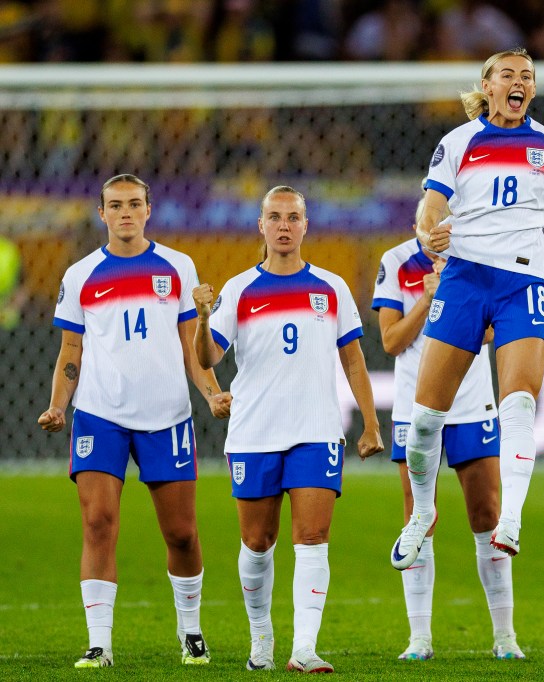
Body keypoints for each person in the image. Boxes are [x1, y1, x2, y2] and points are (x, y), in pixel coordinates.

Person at [390, 46, 544, 574]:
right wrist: (424, 231)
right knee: (424, 422)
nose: (518, 82)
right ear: (486, 85)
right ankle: (421, 513)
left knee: (520, 403)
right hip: (463, 278)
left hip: (523, 281)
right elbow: (431, 206)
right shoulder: (457, 142)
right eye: (507, 74)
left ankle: (512, 519)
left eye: (527, 76)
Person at [38, 173, 230, 669]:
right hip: (100, 416)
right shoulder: (81, 275)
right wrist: (60, 404)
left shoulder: (178, 267)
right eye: (115, 205)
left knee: (182, 534)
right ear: (101, 214)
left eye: (134, 204)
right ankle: (99, 643)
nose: (125, 212)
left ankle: (191, 633)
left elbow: (194, 348)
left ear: (149, 210)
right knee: (98, 523)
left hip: (166, 416)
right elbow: (70, 351)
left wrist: (210, 393)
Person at [192, 185, 384, 673]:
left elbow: (354, 360)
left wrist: (369, 422)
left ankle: (304, 648)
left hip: (316, 429)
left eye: (292, 217)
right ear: (261, 226)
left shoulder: (332, 287)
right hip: (255, 431)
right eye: (274, 217)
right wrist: (202, 319)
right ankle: (262, 637)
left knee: (313, 536)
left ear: (305, 225)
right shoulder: (238, 290)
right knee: (257, 543)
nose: (283, 225)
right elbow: (207, 357)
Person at [374, 196, 522, 660]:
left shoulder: (483, 258)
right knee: (419, 515)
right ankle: (420, 639)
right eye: (430, 220)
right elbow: (392, 340)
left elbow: (492, 329)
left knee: (487, 514)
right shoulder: (396, 262)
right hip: (413, 407)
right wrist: (429, 299)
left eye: (446, 221)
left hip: (471, 403)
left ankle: (505, 638)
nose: (437, 228)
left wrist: (455, 308)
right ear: (418, 222)